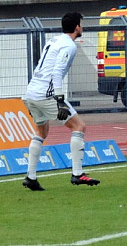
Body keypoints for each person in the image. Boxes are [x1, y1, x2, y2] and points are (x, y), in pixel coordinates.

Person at [22, 13, 100, 191]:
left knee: (41, 131)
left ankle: (31, 177)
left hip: (31, 92)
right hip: (46, 94)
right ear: (77, 27)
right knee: (79, 126)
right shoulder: (69, 46)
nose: (82, 27)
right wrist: (60, 99)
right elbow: (56, 72)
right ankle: (77, 173)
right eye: (81, 24)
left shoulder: (54, 40)